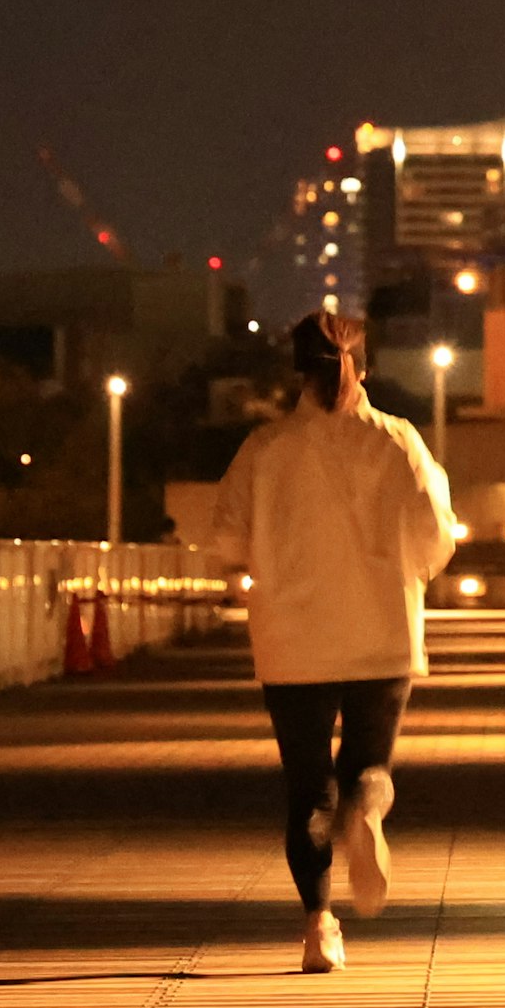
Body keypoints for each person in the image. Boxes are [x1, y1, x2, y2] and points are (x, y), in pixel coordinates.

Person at [202, 311, 458, 973]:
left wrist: (242, 579)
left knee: (308, 788)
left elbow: (226, 538)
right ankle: (366, 813)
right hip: (383, 629)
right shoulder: (397, 439)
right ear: (364, 367)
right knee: (368, 765)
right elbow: (436, 529)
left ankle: (319, 925)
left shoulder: (265, 448)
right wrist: (417, 572)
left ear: (297, 372)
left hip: (292, 638)